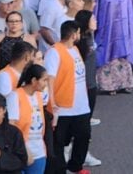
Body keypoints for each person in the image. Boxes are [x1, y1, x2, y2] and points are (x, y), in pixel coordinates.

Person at [43, 20, 91, 174]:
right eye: (78, 32)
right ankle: (59, 170)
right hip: (62, 107)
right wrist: (53, 104)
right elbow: (50, 79)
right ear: (74, 34)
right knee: (58, 142)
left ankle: (75, 166)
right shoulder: (54, 52)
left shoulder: (75, 49)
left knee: (83, 137)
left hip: (81, 105)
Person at [93, 0, 133, 94]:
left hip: (123, 27)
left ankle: (125, 82)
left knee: (123, 53)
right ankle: (109, 85)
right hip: (107, 26)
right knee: (108, 51)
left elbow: (131, 7)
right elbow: (96, 8)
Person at [4, 65, 48, 174]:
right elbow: (11, 126)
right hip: (20, 152)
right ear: (34, 80)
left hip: (38, 151)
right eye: (44, 80)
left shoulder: (38, 96)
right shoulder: (15, 96)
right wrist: (25, 151)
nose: (46, 83)